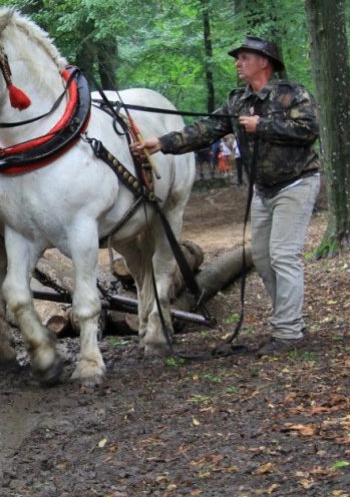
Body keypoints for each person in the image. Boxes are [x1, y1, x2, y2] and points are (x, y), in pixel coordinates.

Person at [130, 36, 320, 356]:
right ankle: (292, 321)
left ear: (264, 62)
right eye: (238, 58)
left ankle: (288, 332)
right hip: (264, 190)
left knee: (283, 255)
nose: (238, 62)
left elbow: (309, 130)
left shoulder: (291, 94)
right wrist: (161, 143)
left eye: (245, 57)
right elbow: (205, 130)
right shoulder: (237, 102)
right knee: (261, 256)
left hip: (296, 184)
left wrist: (263, 125)